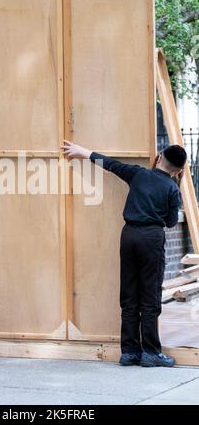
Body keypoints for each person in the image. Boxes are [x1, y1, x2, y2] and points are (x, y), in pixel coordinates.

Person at [62, 140, 187, 367]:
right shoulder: (172, 188)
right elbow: (170, 222)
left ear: (159, 157)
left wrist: (80, 151)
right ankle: (150, 353)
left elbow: (110, 164)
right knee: (149, 297)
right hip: (151, 238)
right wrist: (174, 186)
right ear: (178, 171)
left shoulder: (138, 174)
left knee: (129, 295)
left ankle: (129, 352)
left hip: (129, 236)